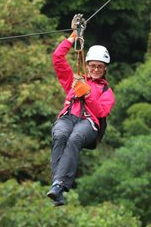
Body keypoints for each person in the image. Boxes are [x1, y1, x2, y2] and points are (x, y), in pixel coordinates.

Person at [47, 14, 115, 206]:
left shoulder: (106, 91)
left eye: (99, 67)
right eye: (92, 66)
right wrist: (72, 37)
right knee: (60, 134)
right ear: (87, 65)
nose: (95, 70)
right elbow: (58, 58)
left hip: (88, 123)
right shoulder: (75, 80)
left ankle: (59, 184)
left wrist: (87, 94)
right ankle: (57, 186)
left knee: (75, 138)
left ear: (105, 69)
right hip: (69, 117)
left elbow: (101, 112)